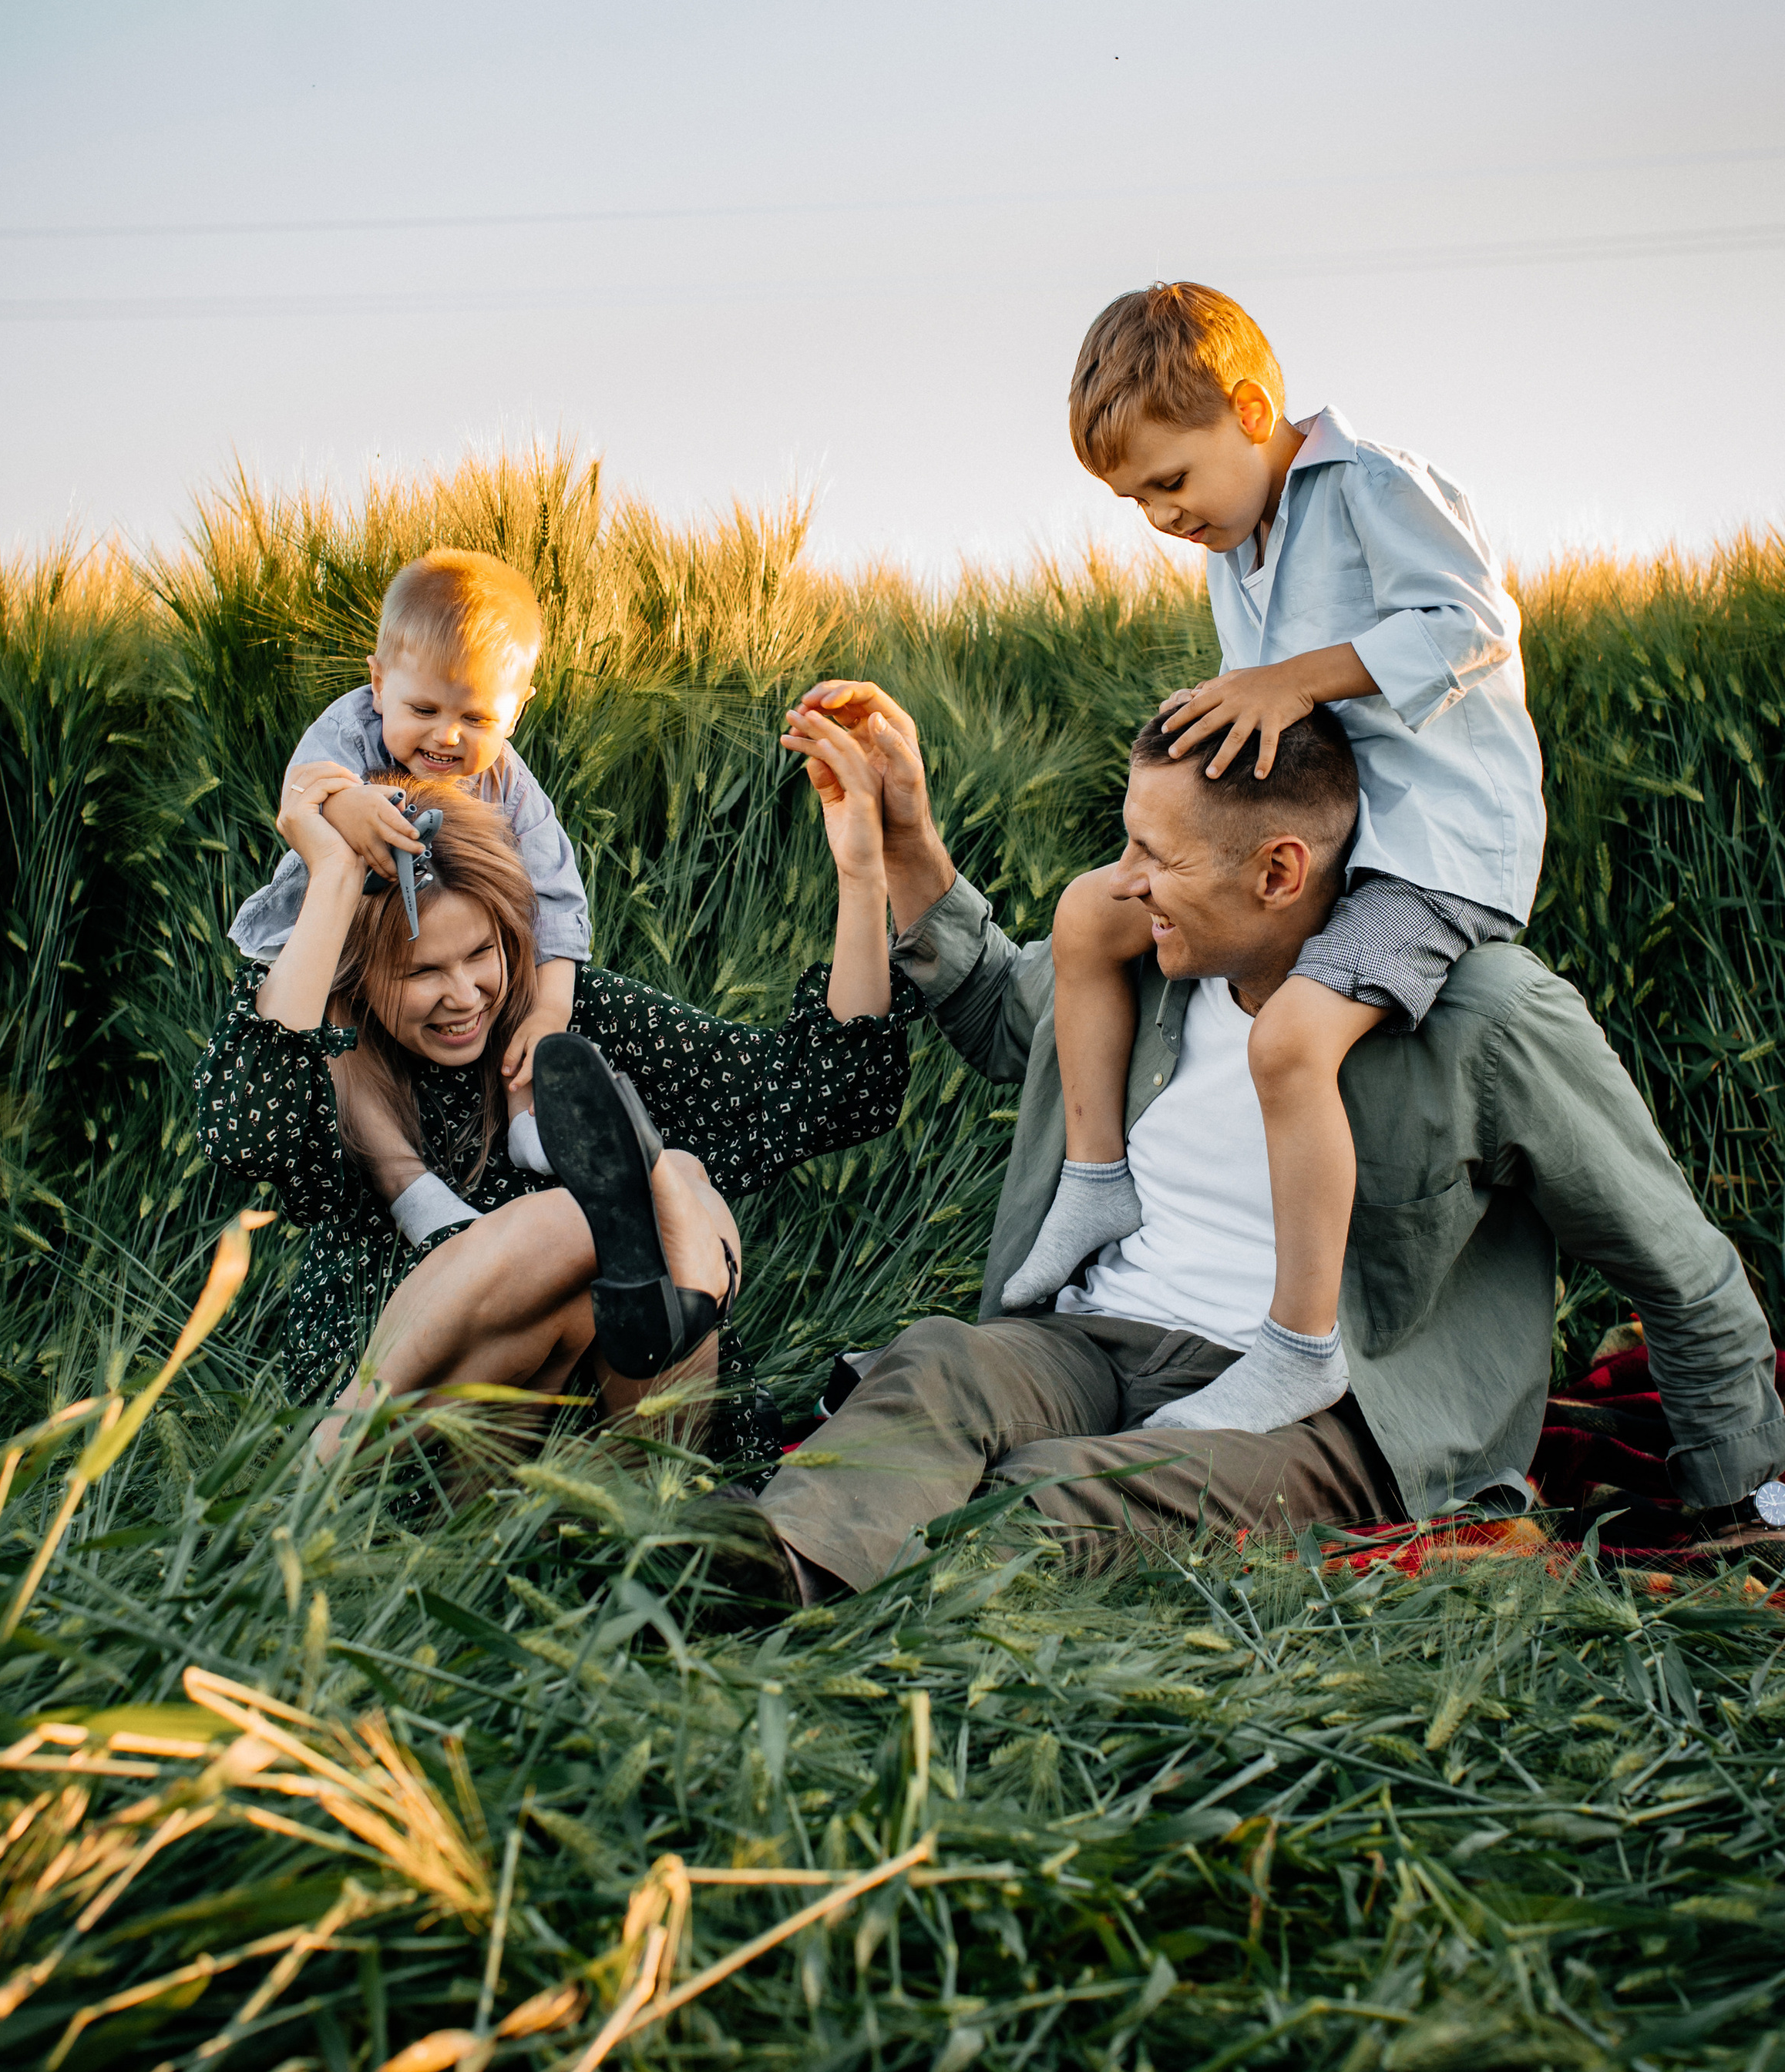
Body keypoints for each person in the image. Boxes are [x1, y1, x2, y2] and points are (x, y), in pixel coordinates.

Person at [706, 681, 1781, 1606]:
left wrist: (1742, 1504)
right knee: (938, 1363)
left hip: (1328, 1421)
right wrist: (904, 833)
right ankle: (753, 1580)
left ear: (1278, 872)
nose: (1120, 881)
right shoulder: (1142, 965)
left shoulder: (1486, 1021)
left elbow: (1676, 1267)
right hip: (1098, 1345)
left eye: (1152, 854)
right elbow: (997, 1011)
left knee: (1050, 1494)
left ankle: (853, 1582)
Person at [1000, 282, 1547, 1444]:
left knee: (1290, 1039)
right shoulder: (1235, 541)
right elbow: (1272, 731)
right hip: (1324, 842)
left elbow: (1473, 624)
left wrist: (1291, 679)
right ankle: (1100, 1178)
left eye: (1169, 481)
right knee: (1091, 915)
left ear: (1252, 410)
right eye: (1132, 498)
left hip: (1431, 853)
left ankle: (1298, 1348)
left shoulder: (1370, 485)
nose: (1158, 516)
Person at [193, 700, 906, 1427]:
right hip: (411, 1433)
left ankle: (640, 1518)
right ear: (359, 974)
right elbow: (242, 1132)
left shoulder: (559, 1019)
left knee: (667, 1198)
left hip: (610, 1432)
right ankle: (339, 1453)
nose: (464, 996)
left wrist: (862, 874)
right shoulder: (331, 1049)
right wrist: (335, 880)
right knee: (599, 1217)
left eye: (482, 953)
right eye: (421, 973)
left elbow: (828, 1093)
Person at [228, 549, 587, 1176]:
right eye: (424, 710)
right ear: (378, 684)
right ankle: (404, 1182)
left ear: (519, 710)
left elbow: (557, 898)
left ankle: (529, 1121)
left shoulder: (514, 787)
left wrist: (551, 1012)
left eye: (476, 718)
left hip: (455, 944)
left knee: (518, 997)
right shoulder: (350, 731)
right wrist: (347, 804)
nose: (447, 736)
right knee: (339, 1034)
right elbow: (304, 793)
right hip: (346, 944)